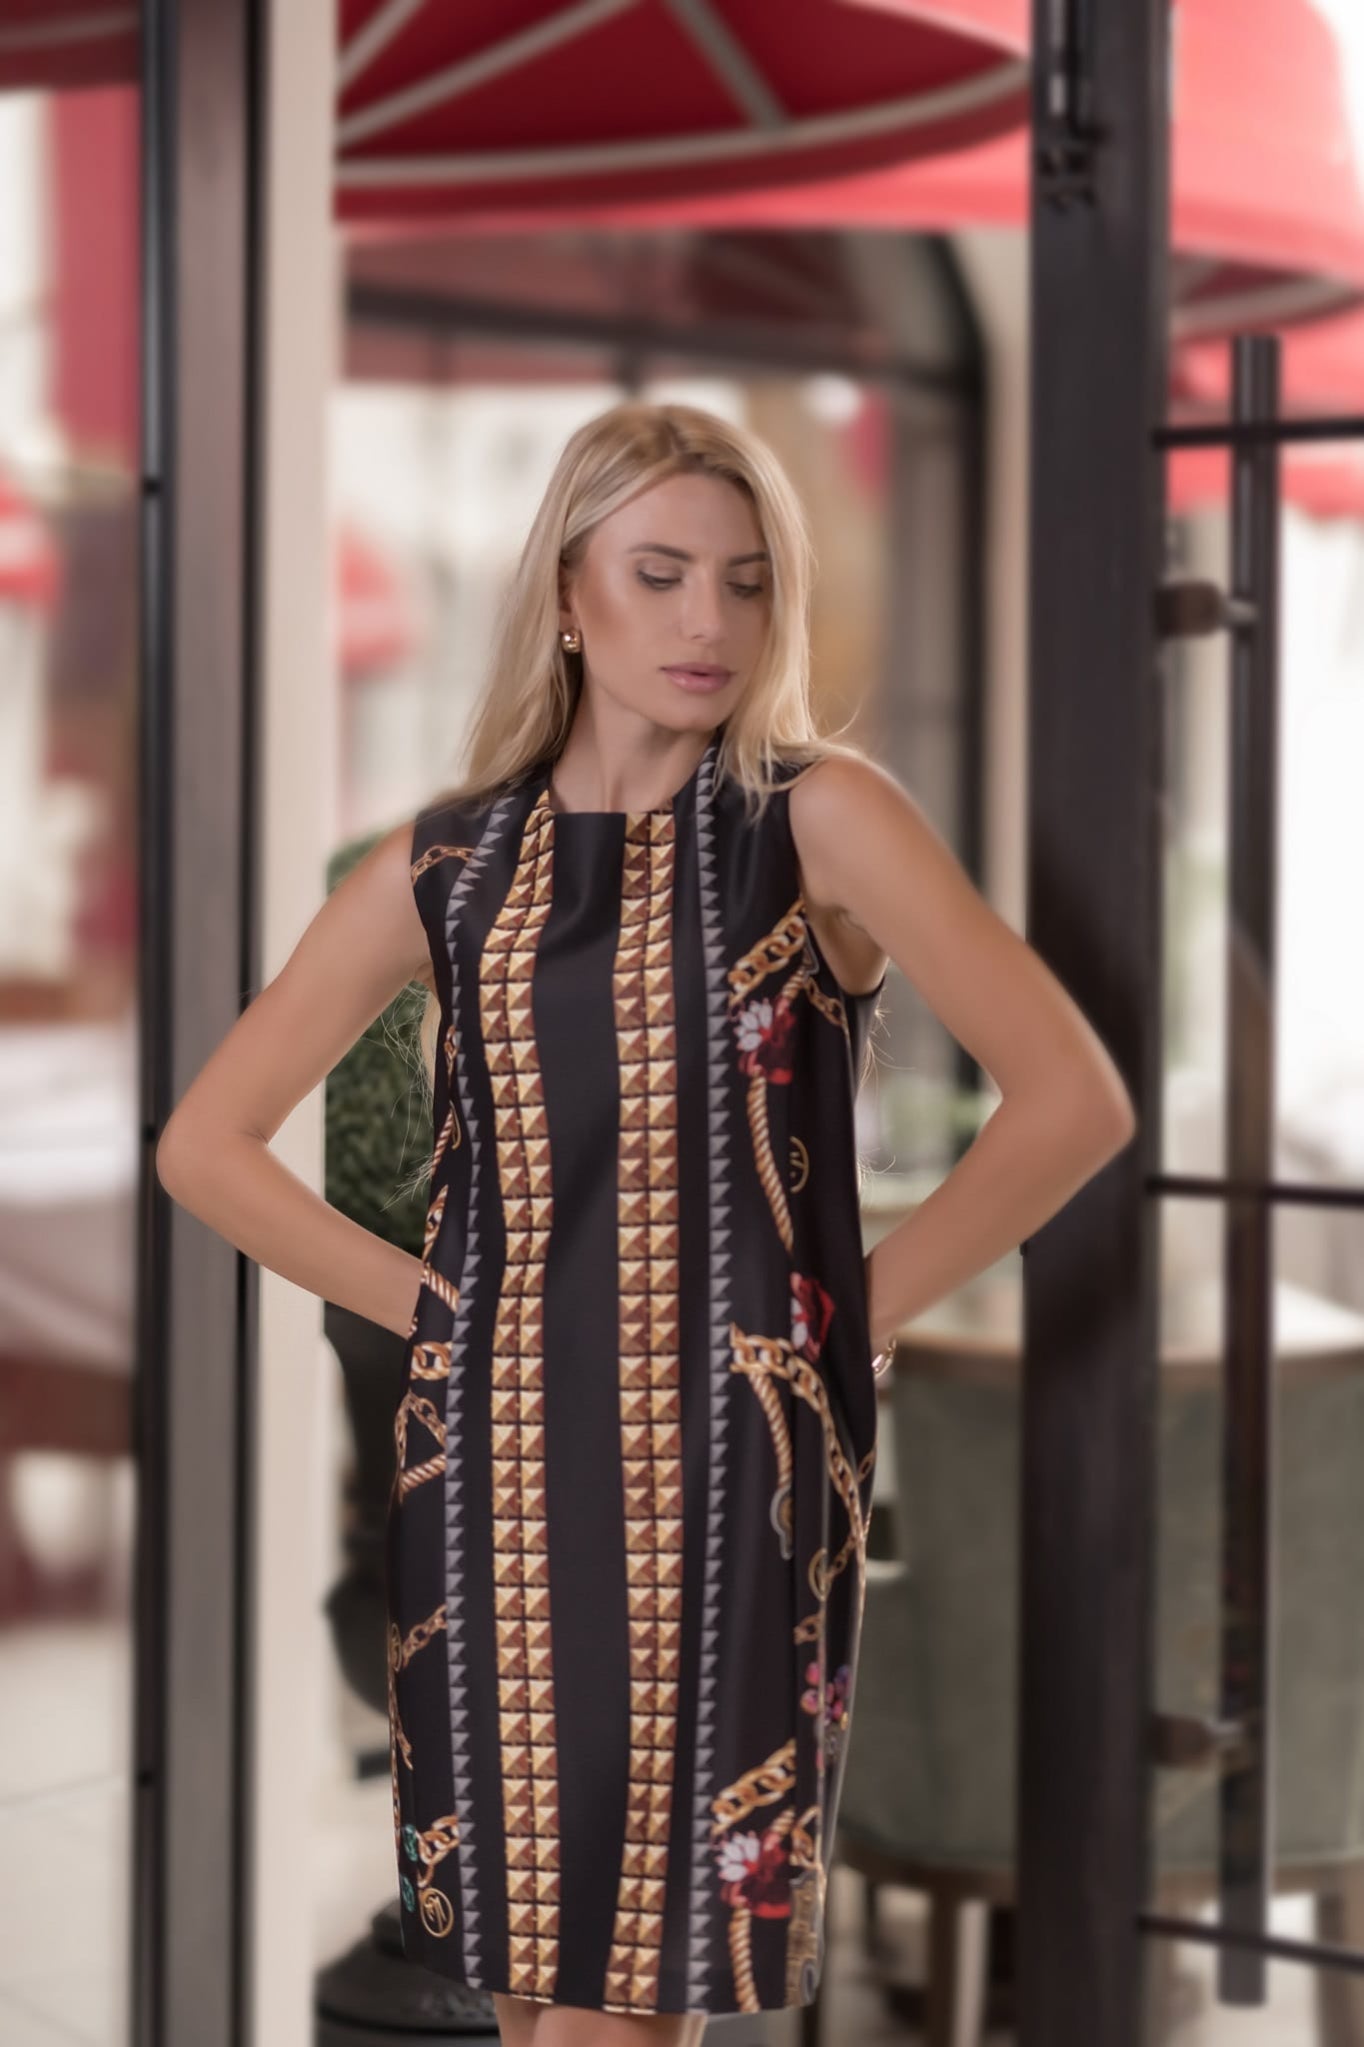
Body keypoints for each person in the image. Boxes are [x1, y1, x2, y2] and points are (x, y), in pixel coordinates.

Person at [157, 400, 1136, 2046]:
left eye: (747, 583)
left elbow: (1073, 1100)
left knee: (627, 2006)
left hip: (723, 1476)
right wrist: (441, 1317)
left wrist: (843, 1315)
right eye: (661, 574)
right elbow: (208, 1143)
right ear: (566, 591)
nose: (709, 622)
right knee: (529, 1995)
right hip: (490, 1476)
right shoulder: (449, 864)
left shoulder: (820, 819)